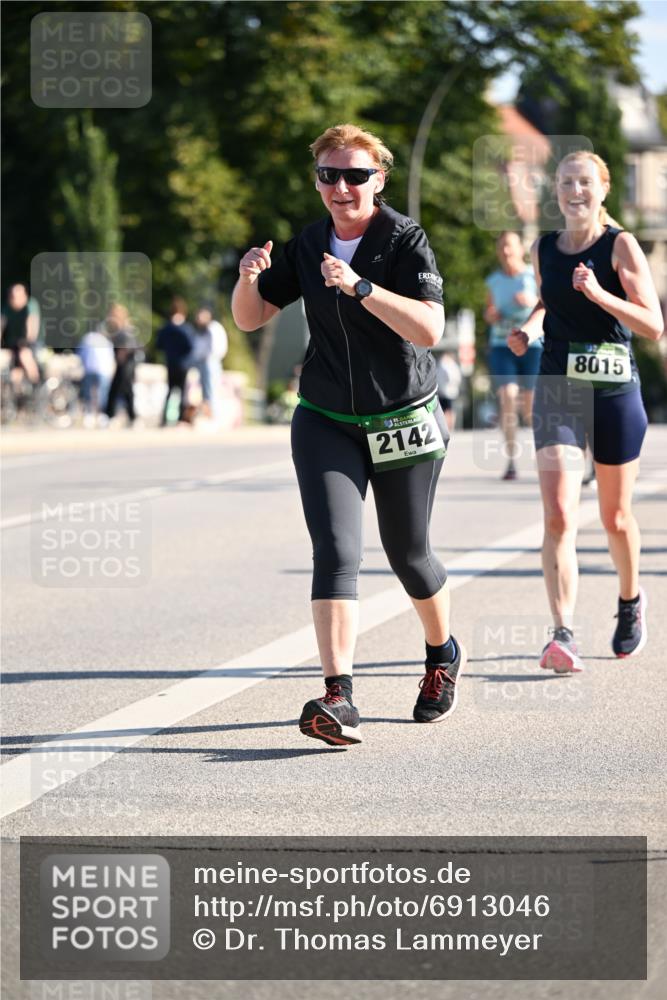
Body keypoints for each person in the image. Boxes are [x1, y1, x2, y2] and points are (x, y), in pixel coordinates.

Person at [232, 123, 465, 747]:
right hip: (327, 418)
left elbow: (430, 327)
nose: (342, 187)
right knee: (335, 552)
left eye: (355, 175)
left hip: (401, 418)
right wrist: (249, 278)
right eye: (329, 175)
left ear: (378, 179)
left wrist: (362, 288)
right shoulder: (309, 245)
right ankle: (339, 697)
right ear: (318, 182)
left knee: (408, 553)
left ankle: (441, 655)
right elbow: (251, 318)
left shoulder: (404, 238)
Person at [507, 150, 663, 670]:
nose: (575, 191)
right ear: (557, 191)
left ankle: (630, 600)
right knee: (558, 513)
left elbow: (652, 324)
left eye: (584, 183)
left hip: (614, 388)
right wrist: (529, 328)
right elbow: (549, 300)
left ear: (603, 190)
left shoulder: (620, 245)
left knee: (615, 517)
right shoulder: (544, 247)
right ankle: (563, 633)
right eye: (567, 182)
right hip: (559, 388)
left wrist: (600, 295)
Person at [485, 231, 540, 480]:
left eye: (510, 247)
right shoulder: (493, 280)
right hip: (501, 344)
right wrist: (492, 315)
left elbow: (549, 303)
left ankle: (546, 453)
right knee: (508, 397)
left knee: (531, 406)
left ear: (520, 250)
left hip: (532, 344)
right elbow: (488, 311)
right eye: (502, 248)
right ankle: (511, 462)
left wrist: (531, 300)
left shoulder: (532, 275)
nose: (506, 252)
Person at [156, 298, 195, 426]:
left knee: (170, 391)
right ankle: (181, 420)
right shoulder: (186, 328)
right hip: (183, 364)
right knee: (183, 392)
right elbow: (191, 346)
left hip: (170, 362)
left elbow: (159, 344)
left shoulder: (166, 327)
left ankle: (164, 420)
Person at [1, 283, 41, 386]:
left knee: (24, 355)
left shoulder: (30, 305)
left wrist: (27, 341)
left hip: (30, 344)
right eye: (13, 296)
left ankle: (35, 384)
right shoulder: (6, 309)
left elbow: (31, 325)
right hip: (12, 345)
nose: (15, 299)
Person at [105, 304, 138, 425]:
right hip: (123, 362)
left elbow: (127, 347)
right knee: (118, 388)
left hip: (126, 363)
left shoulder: (126, 329)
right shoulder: (117, 329)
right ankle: (112, 415)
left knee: (125, 388)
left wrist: (120, 357)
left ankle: (130, 416)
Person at [78, 325, 115, 425]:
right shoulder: (105, 341)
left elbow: (81, 353)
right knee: (101, 394)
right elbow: (110, 357)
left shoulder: (88, 339)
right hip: (101, 370)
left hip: (91, 369)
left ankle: (90, 414)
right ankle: (99, 415)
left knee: (89, 393)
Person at [436, 351, 462, 431]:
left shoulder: (448, 366)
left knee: (449, 410)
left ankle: (450, 426)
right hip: (444, 391)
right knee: (445, 410)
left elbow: (452, 378)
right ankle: (447, 426)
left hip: (449, 392)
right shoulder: (444, 365)